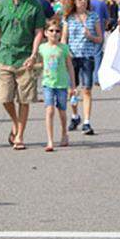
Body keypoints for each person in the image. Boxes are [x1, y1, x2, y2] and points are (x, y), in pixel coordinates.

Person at [0, 0, 46, 151]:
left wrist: (35, 53)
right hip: (4, 56)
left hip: (25, 57)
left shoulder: (34, 5)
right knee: (5, 97)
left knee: (24, 99)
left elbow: (39, 31)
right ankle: (15, 122)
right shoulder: (1, 5)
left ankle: (20, 135)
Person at [62, 0, 103, 135]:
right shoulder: (68, 18)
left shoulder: (93, 17)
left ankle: (87, 121)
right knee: (71, 90)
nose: (84, 1)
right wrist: (65, 52)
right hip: (72, 57)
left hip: (87, 56)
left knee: (86, 90)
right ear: (74, 1)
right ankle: (75, 116)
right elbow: (64, 38)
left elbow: (100, 38)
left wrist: (91, 36)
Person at [38, 19, 74, 152]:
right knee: (49, 110)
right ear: (46, 33)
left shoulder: (64, 48)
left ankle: (64, 133)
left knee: (62, 111)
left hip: (62, 84)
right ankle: (50, 140)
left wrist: (73, 86)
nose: (54, 33)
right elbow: (41, 64)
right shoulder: (42, 48)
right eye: (51, 31)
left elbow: (69, 66)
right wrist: (31, 66)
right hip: (48, 83)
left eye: (57, 31)